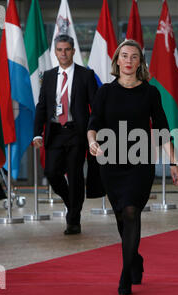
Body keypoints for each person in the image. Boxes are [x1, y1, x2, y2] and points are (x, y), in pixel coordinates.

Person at [87, 40, 178, 295]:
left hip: (140, 162)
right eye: (124, 56)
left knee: (130, 212)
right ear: (117, 60)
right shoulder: (105, 91)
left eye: (134, 57)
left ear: (140, 63)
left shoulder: (150, 92)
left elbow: (161, 128)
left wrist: (173, 161)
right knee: (121, 217)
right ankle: (135, 259)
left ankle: (125, 275)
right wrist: (92, 141)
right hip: (111, 163)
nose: (128, 61)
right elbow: (93, 122)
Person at [33, 34, 100, 235]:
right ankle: (72, 203)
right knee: (52, 172)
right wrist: (37, 133)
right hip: (55, 132)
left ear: (73, 51)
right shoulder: (49, 76)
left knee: (75, 175)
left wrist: (93, 135)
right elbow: (42, 106)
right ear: (55, 52)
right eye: (60, 50)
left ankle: (73, 220)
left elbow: (95, 107)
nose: (63, 53)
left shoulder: (85, 75)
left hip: (76, 132)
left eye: (67, 49)